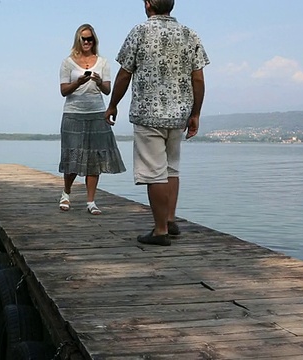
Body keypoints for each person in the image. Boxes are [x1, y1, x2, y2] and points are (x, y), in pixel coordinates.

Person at [105, 0, 209, 245]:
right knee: (171, 168)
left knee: (154, 173)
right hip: (178, 115)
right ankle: (170, 219)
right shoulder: (189, 34)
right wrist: (195, 113)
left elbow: (124, 73)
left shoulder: (140, 31)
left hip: (148, 113)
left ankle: (160, 230)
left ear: (149, 4)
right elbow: (198, 79)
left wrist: (113, 104)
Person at [59, 24, 126, 215]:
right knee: (73, 157)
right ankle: (66, 193)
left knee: (94, 158)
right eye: (84, 39)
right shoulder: (67, 63)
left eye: (90, 39)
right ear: (78, 40)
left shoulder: (103, 62)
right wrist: (77, 83)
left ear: (94, 41)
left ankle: (91, 201)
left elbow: (107, 90)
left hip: (97, 113)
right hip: (73, 114)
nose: (87, 42)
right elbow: (63, 91)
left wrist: (97, 81)